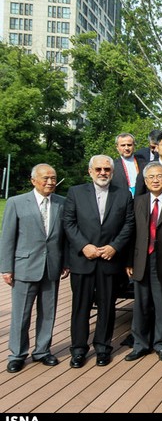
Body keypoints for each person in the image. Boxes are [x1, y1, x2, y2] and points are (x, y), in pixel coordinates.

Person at [63, 155, 135, 368]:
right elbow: (69, 222)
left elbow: (129, 224)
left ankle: (103, 348)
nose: (103, 173)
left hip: (109, 260)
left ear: (112, 172)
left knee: (107, 307)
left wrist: (115, 246)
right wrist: (84, 246)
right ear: (90, 171)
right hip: (83, 259)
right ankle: (78, 350)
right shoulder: (75, 192)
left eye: (107, 169)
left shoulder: (123, 194)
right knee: (81, 307)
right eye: (98, 169)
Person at [1, 164, 68, 373]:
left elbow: (65, 238)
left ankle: (42, 350)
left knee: (48, 313)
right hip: (24, 267)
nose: (50, 182)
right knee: (21, 314)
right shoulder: (16, 202)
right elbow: (8, 237)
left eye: (53, 178)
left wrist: (65, 262)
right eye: (45, 178)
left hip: (52, 267)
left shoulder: (62, 203)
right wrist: (6, 268)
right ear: (33, 180)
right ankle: (17, 354)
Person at [124, 162, 162, 363]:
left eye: (160, 176)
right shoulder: (138, 202)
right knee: (140, 305)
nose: (155, 180)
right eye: (151, 177)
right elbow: (131, 233)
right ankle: (140, 344)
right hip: (141, 260)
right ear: (145, 180)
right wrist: (129, 260)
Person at [113, 133, 144, 198]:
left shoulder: (144, 163)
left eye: (129, 145)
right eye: (123, 145)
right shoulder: (112, 166)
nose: (126, 148)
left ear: (134, 145)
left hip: (141, 199)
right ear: (117, 147)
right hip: (122, 200)